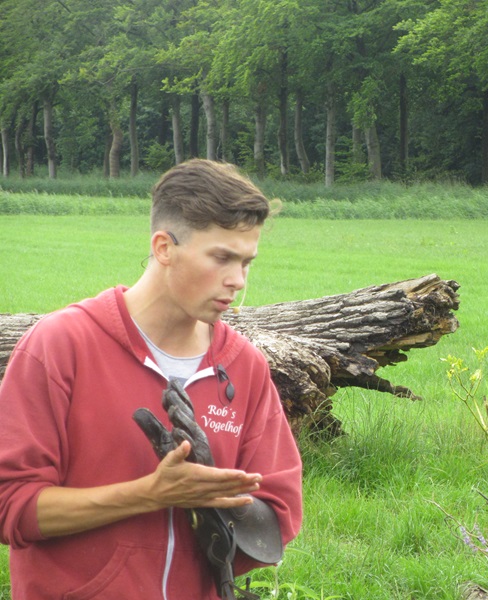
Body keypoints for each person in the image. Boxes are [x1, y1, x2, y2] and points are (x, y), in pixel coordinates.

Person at [0, 159, 303, 598]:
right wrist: (151, 494)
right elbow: (11, 506)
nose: (238, 281)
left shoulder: (244, 366)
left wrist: (213, 500)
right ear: (164, 247)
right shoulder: (60, 346)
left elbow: (280, 512)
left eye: (247, 262)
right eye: (221, 258)